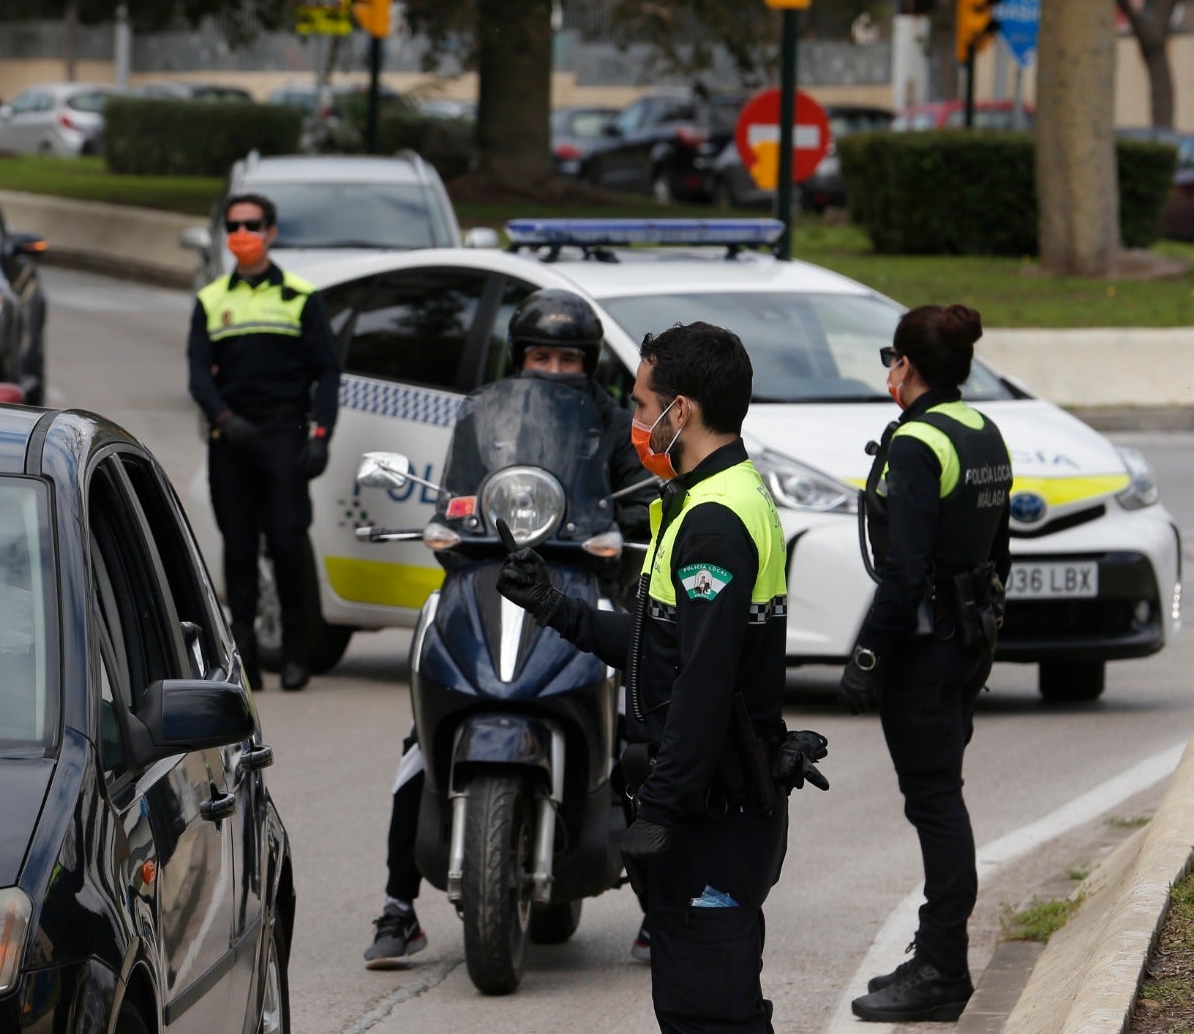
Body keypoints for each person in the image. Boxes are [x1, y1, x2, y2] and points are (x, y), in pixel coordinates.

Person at [496, 321, 799, 1032]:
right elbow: (654, 648)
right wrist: (553, 605)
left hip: (712, 813)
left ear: (680, 412)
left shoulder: (716, 523)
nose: (635, 421)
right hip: (708, 800)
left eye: (640, 405)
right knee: (704, 1002)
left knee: (711, 1013)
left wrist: (661, 809)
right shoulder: (700, 502)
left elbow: (702, 683)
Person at [363, 289, 661, 968]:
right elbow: (462, 493)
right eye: (540, 355)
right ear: (518, 358)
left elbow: (637, 495)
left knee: (636, 733)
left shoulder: (613, 421)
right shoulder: (479, 417)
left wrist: (628, 528)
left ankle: (658, 907)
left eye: (567, 359)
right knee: (419, 745)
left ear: (588, 365)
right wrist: (448, 526)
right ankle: (398, 907)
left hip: (581, 582)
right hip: (484, 577)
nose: (553, 368)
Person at [839, 304, 1012, 1023]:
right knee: (938, 798)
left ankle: (943, 965)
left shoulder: (915, 443)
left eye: (891, 359)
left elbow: (903, 574)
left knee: (935, 803)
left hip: (924, 647)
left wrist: (866, 659)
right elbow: (1001, 553)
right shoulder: (982, 431)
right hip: (967, 641)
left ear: (904, 366)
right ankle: (935, 951)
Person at [187, 192, 340, 692]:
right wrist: (224, 419)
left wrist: (321, 436)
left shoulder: (301, 296)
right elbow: (198, 375)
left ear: (271, 232)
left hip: (284, 435)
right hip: (232, 437)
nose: (242, 235)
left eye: (252, 225)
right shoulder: (212, 299)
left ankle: (296, 652)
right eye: (233, 226)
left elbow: (328, 374)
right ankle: (245, 654)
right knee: (237, 549)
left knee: (287, 543)